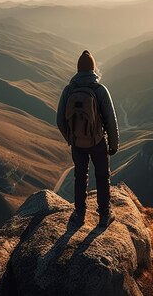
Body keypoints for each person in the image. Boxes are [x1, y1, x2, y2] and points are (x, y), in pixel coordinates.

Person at [57, 50, 119, 227]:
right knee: (101, 176)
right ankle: (105, 214)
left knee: (80, 176)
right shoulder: (100, 90)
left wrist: (71, 138)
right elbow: (110, 120)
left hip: (77, 143)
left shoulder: (69, 90)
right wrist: (113, 145)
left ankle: (80, 214)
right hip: (97, 142)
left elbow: (59, 120)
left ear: (78, 69)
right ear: (92, 69)